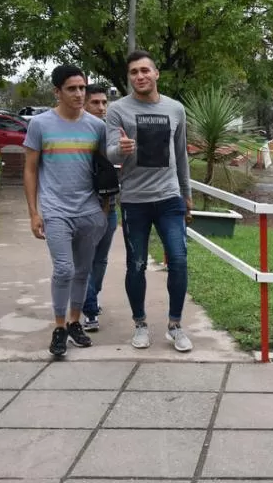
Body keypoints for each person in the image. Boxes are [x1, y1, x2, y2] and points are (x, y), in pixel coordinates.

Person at [106, 50, 193, 352]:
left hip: (170, 198)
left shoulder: (175, 109)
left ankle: (175, 325)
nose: (140, 76)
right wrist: (122, 149)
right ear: (129, 77)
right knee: (137, 264)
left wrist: (187, 194)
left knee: (179, 261)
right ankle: (140, 323)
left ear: (156, 74)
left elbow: (180, 155)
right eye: (133, 72)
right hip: (134, 201)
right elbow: (110, 152)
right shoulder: (117, 110)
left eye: (145, 70)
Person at [23, 65, 107, 357]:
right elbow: (31, 169)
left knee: (83, 271)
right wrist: (34, 212)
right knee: (64, 269)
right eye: (72, 88)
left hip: (89, 212)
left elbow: (106, 171)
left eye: (82, 88)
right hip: (55, 211)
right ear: (57, 92)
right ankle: (59, 328)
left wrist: (104, 210)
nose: (79, 94)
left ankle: (75, 322)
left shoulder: (97, 127)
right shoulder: (40, 124)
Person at [81, 83, 116, 331]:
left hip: (109, 207)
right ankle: (89, 307)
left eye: (104, 103)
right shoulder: (77, 133)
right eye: (95, 103)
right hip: (82, 208)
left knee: (100, 260)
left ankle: (92, 296)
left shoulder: (110, 133)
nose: (101, 107)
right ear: (84, 104)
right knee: (84, 259)